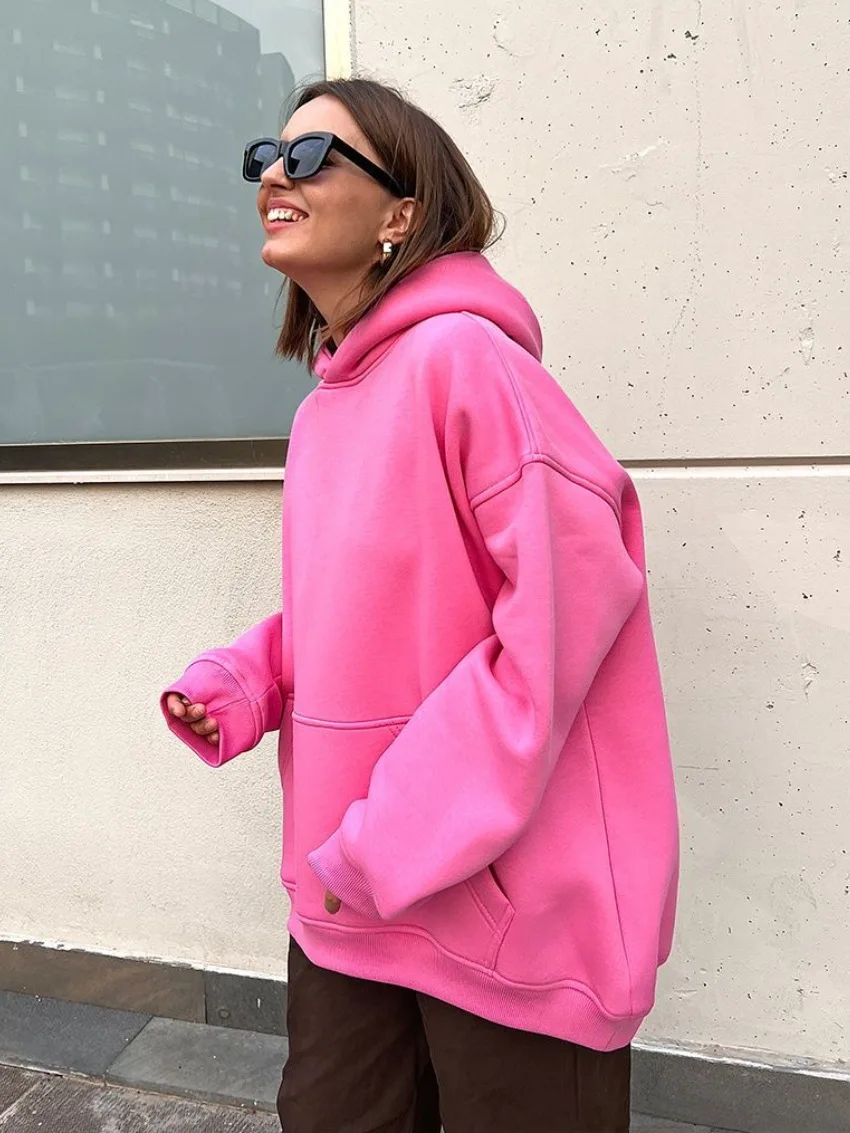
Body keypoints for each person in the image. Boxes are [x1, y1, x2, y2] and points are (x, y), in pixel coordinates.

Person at [162, 78, 678, 1133]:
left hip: (503, 910)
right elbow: (360, 611)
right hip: (351, 896)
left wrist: (390, 835)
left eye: (312, 156)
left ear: (401, 212)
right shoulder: (326, 410)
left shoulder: (469, 364)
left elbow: (559, 625)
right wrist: (248, 678)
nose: (275, 173)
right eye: (267, 153)